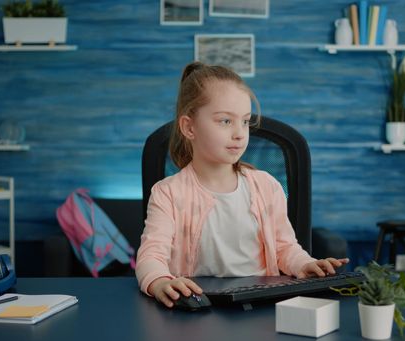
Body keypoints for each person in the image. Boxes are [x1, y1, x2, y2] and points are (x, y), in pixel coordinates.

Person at [136, 62, 349, 308]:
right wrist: (160, 281)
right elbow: (151, 256)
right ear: (189, 127)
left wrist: (304, 264)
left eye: (245, 122)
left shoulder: (267, 187)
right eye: (225, 121)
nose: (239, 133)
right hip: (201, 307)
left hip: (261, 305)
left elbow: (285, 248)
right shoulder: (168, 193)